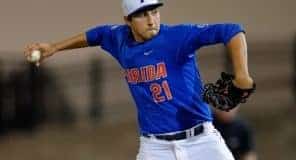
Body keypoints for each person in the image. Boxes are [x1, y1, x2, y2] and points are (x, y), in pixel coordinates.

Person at [24, 0, 254, 159]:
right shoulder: (118, 39)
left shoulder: (178, 36)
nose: (151, 19)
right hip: (155, 147)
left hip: (201, 140)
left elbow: (232, 30)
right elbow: (94, 35)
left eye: (154, 11)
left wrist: (242, 74)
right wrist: (54, 47)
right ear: (128, 19)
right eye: (142, 14)